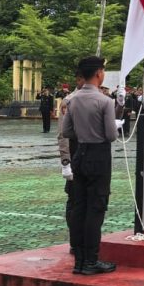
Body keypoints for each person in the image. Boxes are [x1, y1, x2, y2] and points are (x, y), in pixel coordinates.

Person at [61, 56, 118, 275]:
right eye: (102, 70)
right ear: (97, 74)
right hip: (98, 155)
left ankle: (79, 261)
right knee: (96, 208)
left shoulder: (72, 99)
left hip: (80, 154)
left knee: (78, 208)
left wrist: (83, 133)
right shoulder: (105, 101)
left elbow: (66, 132)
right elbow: (112, 135)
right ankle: (91, 261)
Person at [57, 74, 84, 254]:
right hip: (75, 157)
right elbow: (63, 134)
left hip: (90, 157)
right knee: (74, 200)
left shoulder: (93, 98)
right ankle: (75, 242)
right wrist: (66, 162)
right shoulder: (69, 101)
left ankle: (86, 240)